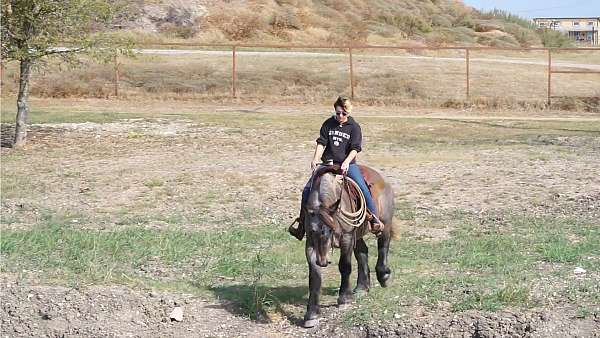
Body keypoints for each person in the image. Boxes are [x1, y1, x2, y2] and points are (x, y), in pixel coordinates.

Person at [289, 96, 383, 240]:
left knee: (363, 188)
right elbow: (322, 143)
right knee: (307, 189)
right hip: (328, 164)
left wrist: (346, 162)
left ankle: (374, 219)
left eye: (343, 114)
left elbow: (355, 148)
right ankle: (302, 224)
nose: (340, 116)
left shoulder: (354, 127)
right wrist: (315, 159)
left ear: (348, 113)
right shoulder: (328, 124)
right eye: (338, 113)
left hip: (347, 165)